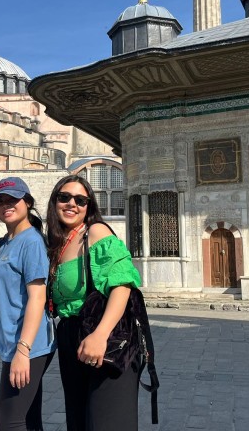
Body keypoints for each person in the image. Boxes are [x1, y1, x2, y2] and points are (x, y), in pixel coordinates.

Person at [45, 175, 142, 431]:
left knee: (105, 422)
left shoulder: (96, 232)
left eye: (80, 200)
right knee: (78, 422)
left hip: (105, 339)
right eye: (64, 197)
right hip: (71, 338)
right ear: (54, 201)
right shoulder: (57, 242)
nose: (71, 204)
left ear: (89, 206)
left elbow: (122, 284)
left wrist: (101, 334)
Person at [0, 176, 56, 431]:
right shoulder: (4, 243)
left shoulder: (31, 242)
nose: (6, 205)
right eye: (0, 201)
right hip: (13, 343)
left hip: (29, 345)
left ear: (27, 202)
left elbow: (37, 297)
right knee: (28, 418)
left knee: (10, 421)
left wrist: (23, 351)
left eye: (12, 199)